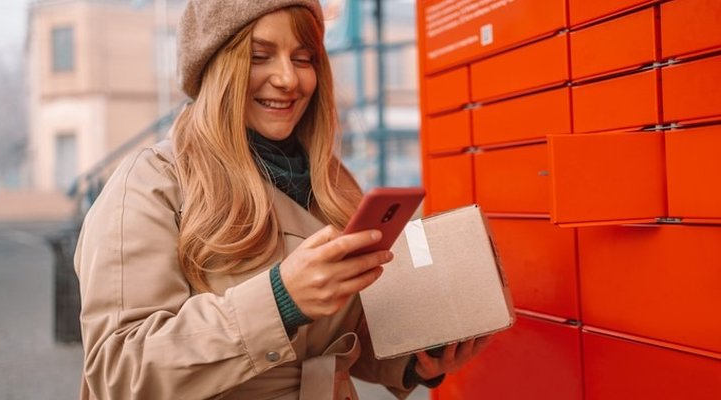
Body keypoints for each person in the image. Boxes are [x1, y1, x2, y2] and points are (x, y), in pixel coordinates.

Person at [74, 1, 489, 398]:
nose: (289, 79)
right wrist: (280, 300)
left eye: (304, 57)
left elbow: (334, 338)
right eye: (260, 56)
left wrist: (414, 361)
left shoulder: (331, 181)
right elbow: (119, 371)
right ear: (215, 66)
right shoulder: (150, 183)